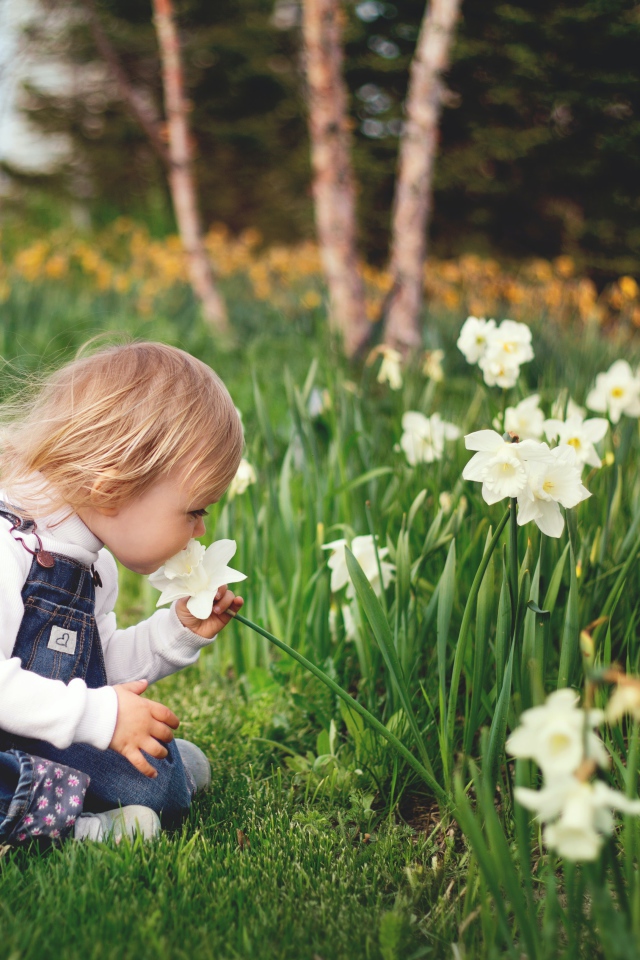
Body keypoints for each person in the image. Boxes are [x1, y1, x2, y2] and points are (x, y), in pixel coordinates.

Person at [0, 341, 245, 845]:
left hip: (31, 730)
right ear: (113, 487)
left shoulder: (94, 566)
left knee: (153, 777)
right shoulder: (10, 549)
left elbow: (94, 668)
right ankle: (76, 828)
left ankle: (146, 784)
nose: (200, 530)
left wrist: (175, 633)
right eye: (195, 511)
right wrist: (99, 716)